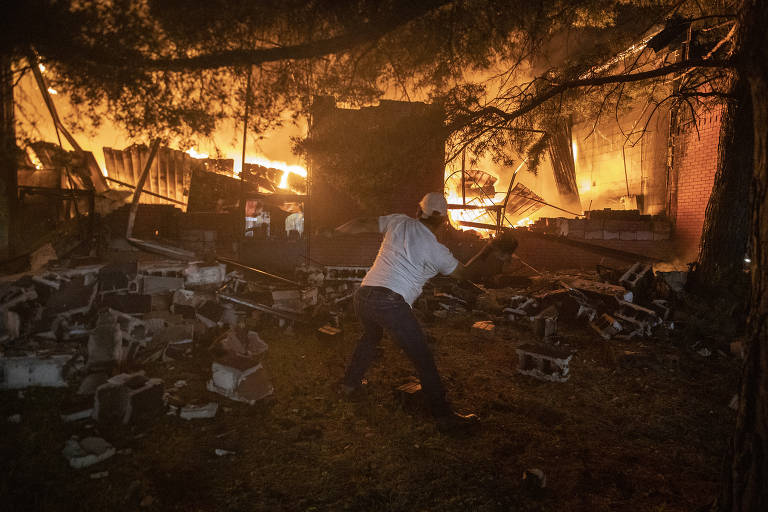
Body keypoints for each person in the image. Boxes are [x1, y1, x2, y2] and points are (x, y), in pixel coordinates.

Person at [334, 192, 514, 432]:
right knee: (424, 360)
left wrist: (331, 232)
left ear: (418, 212)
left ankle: (349, 385)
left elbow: (363, 222)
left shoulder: (399, 221)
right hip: (390, 303)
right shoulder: (437, 251)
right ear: (442, 221)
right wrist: (490, 250)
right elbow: (466, 274)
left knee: (370, 336)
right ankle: (445, 418)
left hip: (364, 295)